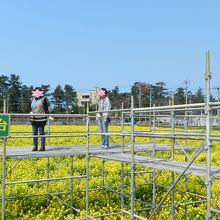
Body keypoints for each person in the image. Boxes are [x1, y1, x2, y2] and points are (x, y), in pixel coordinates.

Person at [30, 87, 50, 151]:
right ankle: (35, 146)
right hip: (33, 119)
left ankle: (42, 146)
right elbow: (29, 108)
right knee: (34, 133)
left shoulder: (43, 100)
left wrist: (49, 116)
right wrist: (30, 112)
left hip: (41, 119)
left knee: (41, 133)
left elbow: (46, 109)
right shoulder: (31, 99)